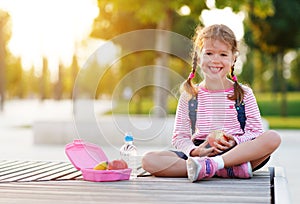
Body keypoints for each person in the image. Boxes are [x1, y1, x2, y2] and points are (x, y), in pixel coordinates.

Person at [141, 24, 281, 182]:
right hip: (202, 151)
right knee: (149, 160)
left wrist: (234, 141)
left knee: (273, 138)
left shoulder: (244, 94)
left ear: (233, 58)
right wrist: (195, 151)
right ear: (198, 57)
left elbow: (255, 132)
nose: (215, 60)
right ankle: (218, 169)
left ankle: (215, 165)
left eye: (223, 54)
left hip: (236, 152)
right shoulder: (190, 96)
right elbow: (180, 137)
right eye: (209, 53)